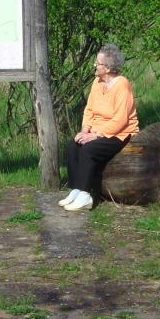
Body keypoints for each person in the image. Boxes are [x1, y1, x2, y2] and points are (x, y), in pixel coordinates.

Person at [59, 44, 139, 211]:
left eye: (98, 63)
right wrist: (85, 130)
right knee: (74, 145)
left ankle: (85, 195)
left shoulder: (122, 85)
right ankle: (76, 189)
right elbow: (89, 109)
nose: (94, 65)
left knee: (89, 149)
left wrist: (96, 135)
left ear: (108, 68)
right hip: (97, 130)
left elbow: (120, 120)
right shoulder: (97, 82)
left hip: (120, 133)